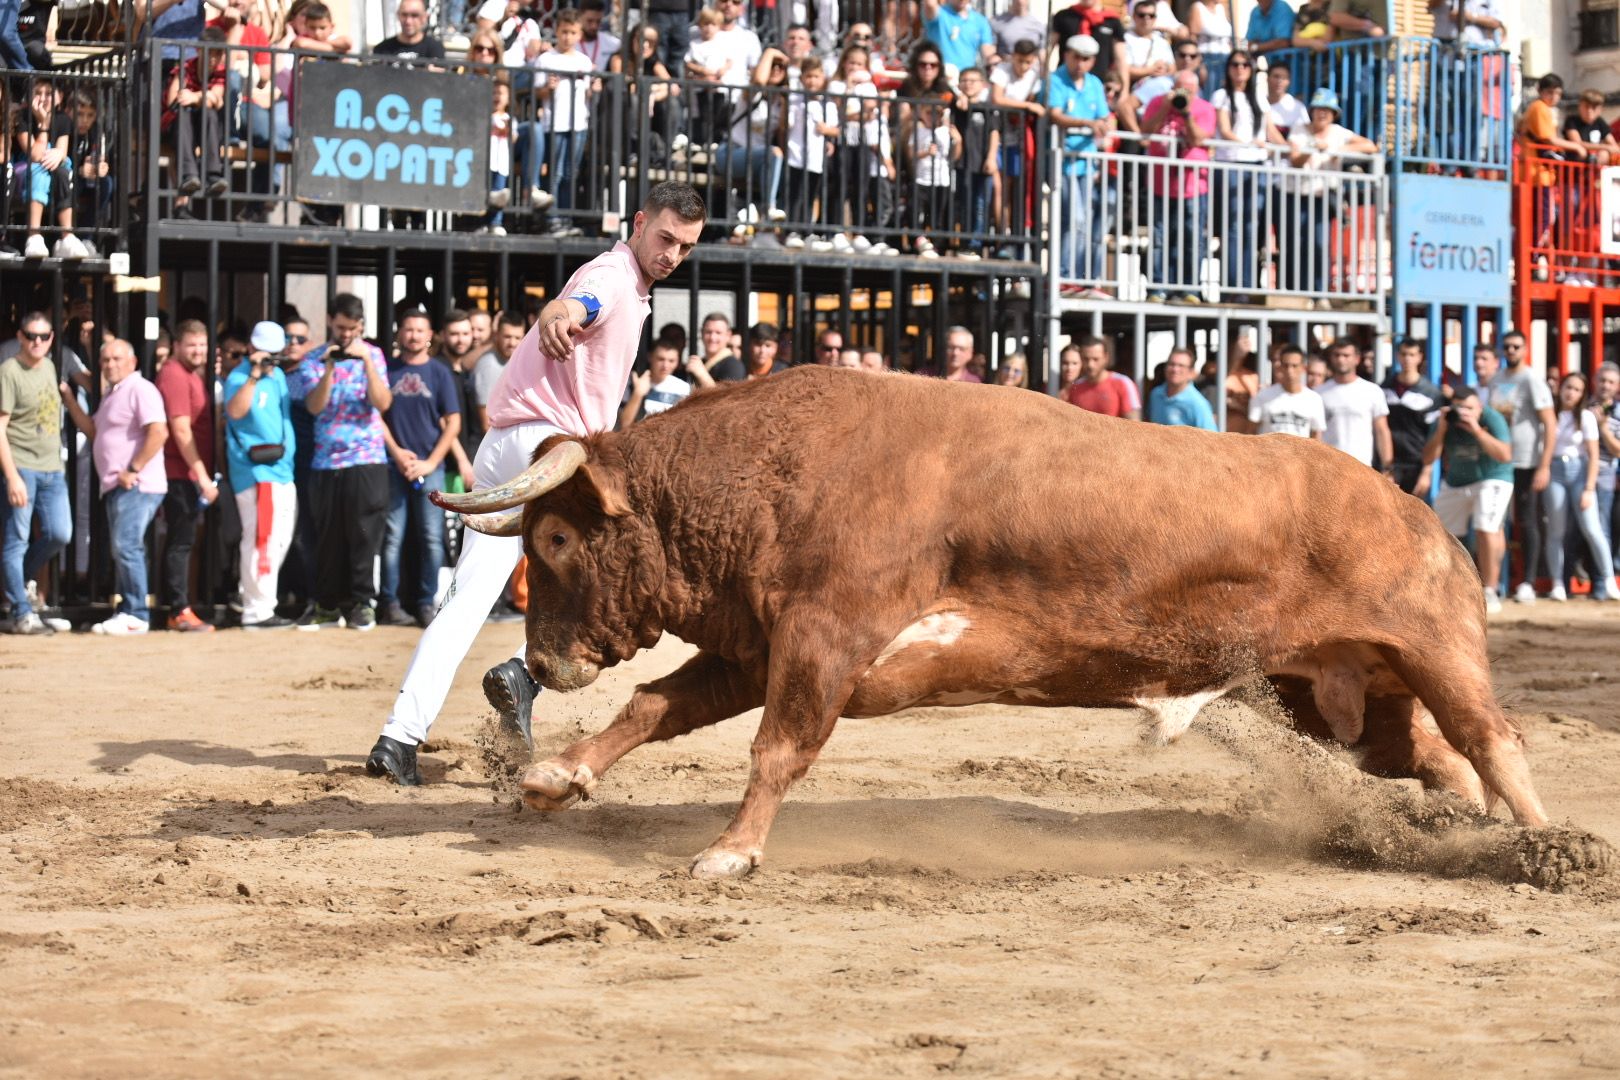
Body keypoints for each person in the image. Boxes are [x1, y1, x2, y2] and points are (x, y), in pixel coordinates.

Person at [367, 181, 708, 787]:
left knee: (468, 599)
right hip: (549, 455)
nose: (672, 255)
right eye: (665, 239)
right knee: (618, 588)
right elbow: (577, 308)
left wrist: (562, 312)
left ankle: (398, 738)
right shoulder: (611, 277)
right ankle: (525, 677)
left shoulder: (617, 276)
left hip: (506, 448)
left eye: (684, 247)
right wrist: (559, 317)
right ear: (638, 224)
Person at [287, 293, 394, 631]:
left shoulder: (373, 355)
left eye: (352, 328)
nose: (346, 334)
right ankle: (327, 605)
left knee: (364, 535)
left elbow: (383, 403)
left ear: (360, 326)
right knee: (327, 538)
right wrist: (330, 367)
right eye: (340, 327)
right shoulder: (314, 359)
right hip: (325, 462)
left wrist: (365, 364)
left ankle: (363, 604)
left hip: (367, 458)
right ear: (330, 322)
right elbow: (315, 406)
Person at [59, 340, 169, 635]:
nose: (110, 365)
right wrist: (70, 399)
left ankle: (137, 613)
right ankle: (129, 610)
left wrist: (133, 469)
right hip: (117, 485)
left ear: (132, 362)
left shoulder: (140, 389)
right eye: (105, 360)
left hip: (137, 484)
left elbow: (159, 431)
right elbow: (94, 431)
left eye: (116, 359)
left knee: (127, 546)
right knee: (124, 548)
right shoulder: (113, 394)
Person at [379, 308, 462, 628]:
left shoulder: (440, 373)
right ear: (399, 333)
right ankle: (389, 602)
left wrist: (430, 461)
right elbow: (378, 418)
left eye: (419, 330)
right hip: (393, 465)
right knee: (392, 536)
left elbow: (453, 422)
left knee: (431, 538)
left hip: (432, 468)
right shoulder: (386, 370)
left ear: (430, 336)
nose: (412, 335)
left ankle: (426, 602)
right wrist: (397, 453)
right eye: (407, 329)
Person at [222, 321, 298, 630]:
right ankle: (258, 610)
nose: (272, 359)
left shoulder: (278, 375)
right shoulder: (239, 376)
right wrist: (254, 374)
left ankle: (251, 594)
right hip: (256, 471)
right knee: (261, 538)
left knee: (280, 539)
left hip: (282, 469)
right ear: (252, 348)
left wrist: (269, 369)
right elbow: (235, 412)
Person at [0, 312, 69, 635]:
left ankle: (15, 581)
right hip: (22, 465)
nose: (37, 342)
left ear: (52, 338)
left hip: (52, 468)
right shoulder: (9, 371)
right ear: (20, 336)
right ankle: (21, 610)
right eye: (31, 335)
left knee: (60, 533)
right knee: (17, 539)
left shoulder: (51, 366)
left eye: (43, 336)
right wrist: (12, 475)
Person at [1421, 385, 1513, 614]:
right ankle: (1448, 589)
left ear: (1480, 407)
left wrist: (1476, 430)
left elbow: (1505, 455)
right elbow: (1428, 458)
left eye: (1470, 408)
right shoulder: (1445, 420)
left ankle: (1490, 589)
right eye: (1460, 408)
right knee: (1442, 534)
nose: (1464, 413)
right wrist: (1442, 429)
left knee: (1486, 527)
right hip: (1457, 481)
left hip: (1493, 476)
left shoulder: (1492, 418)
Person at [1482, 332, 1555, 603]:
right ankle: (1496, 582)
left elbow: (1549, 422)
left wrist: (1544, 465)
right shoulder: (1498, 379)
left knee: (1527, 521)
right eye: (1507, 346)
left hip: (1526, 461)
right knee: (1495, 521)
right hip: (1499, 458)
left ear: (1524, 349)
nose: (1511, 350)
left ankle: (1528, 581)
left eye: (1516, 346)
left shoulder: (1531, 380)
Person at [156, 321, 218, 632]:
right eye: (192, 345)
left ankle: (180, 607)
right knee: (180, 543)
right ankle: (178, 610)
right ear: (177, 346)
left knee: (183, 541)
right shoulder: (175, 375)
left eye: (203, 345)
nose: (198, 351)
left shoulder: (190, 374)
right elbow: (180, 430)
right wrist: (202, 476)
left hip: (185, 473)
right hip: (178, 473)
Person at [1286, 88, 1377, 297]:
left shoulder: (1338, 133)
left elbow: (1370, 146)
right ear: (1312, 111)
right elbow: (1295, 160)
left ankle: (1319, 292)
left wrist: (1338, 151)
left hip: (1322, 196)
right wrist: (1311, 150)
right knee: (1295, 243)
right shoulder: (1299, 130)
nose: (1322, 114)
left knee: (1320, 244)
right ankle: (1293, 291)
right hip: (1296, 195)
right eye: (1319, 109)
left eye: (1327, 110)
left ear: (1334, 114)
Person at [1541, 371, 1619, 602]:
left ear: (1583, 394)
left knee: (1593, 529)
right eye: (1568, 387)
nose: (1570, 393)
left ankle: (1608, 581)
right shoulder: (1551, 414)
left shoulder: (1585, 416)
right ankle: (1557, 583)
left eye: (1576, 389)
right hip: (1554, 470)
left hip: (1579, 472)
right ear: (1560, 388)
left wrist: (1588, 488)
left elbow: (1594, 455)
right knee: (1556, 531)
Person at [1143, 71, 1215, 304]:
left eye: (1189, 90)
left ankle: (1190, 288)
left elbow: (1197, 140)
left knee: (1192, 237)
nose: (1184, 94)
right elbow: (1146, 132)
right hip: (1159, 183)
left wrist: (1186, 113)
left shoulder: (1204, 108)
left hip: (1193, 185)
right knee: (1159, 236)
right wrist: (1165, 107)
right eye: (1180, 88)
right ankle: (1157, 287)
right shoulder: (1158, 102)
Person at [1213, 51, 1280, 298]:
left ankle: (1247, 283)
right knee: (1233, 226)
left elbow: (1270, 131)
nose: (1240, 69)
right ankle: (1232, 285)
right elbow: (1223, 129)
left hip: (1257, 165)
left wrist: (1291, 147)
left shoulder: (1259, 98)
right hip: (1232, 163)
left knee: (1251, 227)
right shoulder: (1221, 96)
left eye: (1245, 65)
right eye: (1235, 64)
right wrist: (1250, 143)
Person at [539, 8, 596, 236]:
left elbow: (589, 93)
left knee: (571, 172)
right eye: (564, 31)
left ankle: (566, 217)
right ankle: (552, 218)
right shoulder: (545, 59)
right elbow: (538, 93)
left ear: (579, 34)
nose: (567, 37)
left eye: (572, 32)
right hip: (553, 122)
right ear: (556, 31)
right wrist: (547, 89)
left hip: (578, 123)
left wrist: (595, 89)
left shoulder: (584, 61)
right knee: (555, 172)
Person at [1317, 337, 1393, 470]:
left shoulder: (1372, 391)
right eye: (1337, 355)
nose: (1341, 360)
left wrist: (1387, 468)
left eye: (1346, 355)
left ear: (1357, 359)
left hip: (1362, 468)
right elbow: (1315, 433)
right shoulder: (1318, 393)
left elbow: (1382, 430)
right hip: (1328, 468)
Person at [1382, 338, 1444, 494]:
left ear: (1419, 357)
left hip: (1415, 464)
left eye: (1412, 354)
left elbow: (1435, 435)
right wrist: (1385, 466)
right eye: (1403, 354)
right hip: (1388, 464)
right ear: (1397, 356)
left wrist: (1427, 471)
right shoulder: (1384, 388)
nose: (1407, 359)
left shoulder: (1431, 393)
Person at [1248, 344, 1324, 438]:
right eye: (1286, 365)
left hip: (1300, 452)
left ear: (1303, 368)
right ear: (1280, 367)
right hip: (1269, 452)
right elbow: (1250, 433)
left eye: (1294, 366)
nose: (1289, 370)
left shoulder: (1314, 399)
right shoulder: (1263, 396)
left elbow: (1316, 436)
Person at [619, 338, 692, 426]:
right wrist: (637, 394)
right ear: (650, 357)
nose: (665, 365)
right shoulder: (632, 382)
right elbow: (624, 424)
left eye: (671, 361)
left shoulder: (683, 388)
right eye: (661, 359)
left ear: (677, 362)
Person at [473, 310, 526, 431]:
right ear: (497, 335)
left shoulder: (518, 361)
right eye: (507, 337)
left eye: (517, 337)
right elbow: (486, 423)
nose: (512, 343)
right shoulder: (488, 365)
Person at [921, 0, 994, 77]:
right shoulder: (939, 13)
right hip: (940, 76)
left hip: (965, 78)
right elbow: (930, 4)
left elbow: (987, 51)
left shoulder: (980, 21)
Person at [1063, 335, 1132, 417]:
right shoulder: (1076, 387)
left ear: (1106, 357)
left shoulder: (1123, 383)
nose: (1090, 365)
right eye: (1086, 359)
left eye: (1095, 359)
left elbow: (1133, 424)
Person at [1148, 349, 1216, 429]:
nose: (1175, 369)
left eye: (1181, 365)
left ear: (1191, 372)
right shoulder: (1155, 394)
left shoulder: (1198, 404)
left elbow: (1209, 437)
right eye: (1171, 364)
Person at [713, 323, 788, 381]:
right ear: (749, 345)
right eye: (758, 344)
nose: (762, 350)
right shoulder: (739, 368)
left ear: (776, 348)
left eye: (768, 346)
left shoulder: (783, 371)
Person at [374, 0, 445, 60]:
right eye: (404, 15)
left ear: (425, 17)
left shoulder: (435, 49)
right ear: (398, 15)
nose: (408, 21)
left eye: (414, 15)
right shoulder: (382, 49)